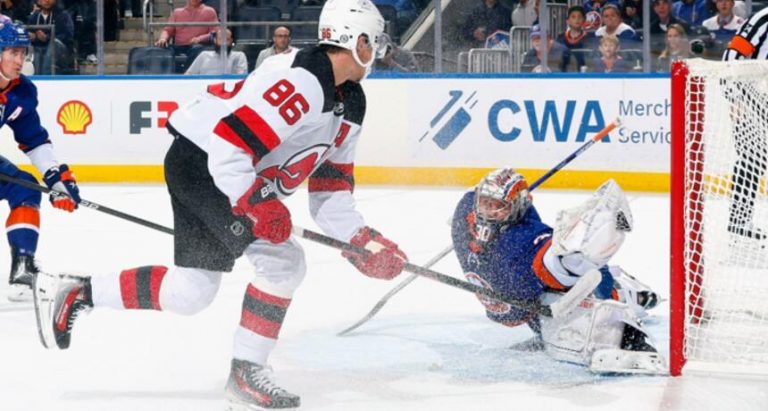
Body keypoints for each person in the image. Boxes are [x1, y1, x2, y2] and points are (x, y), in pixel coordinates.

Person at [33, 0, 407, 409]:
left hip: (210, 168)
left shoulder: (350, 101)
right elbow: (230, 146)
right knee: (283, 263)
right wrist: (258, 203)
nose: (381, 49)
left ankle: (80, 292)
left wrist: (362, 242)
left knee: (191, 292)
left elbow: (330, 192)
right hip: (205, 165)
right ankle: (247, 371)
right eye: (376, 40)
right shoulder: (306, 80)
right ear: (356, 40)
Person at [450, 168, 664, 373]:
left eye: (497, 206)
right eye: (485, 203)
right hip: (531, 308)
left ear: (516, 207)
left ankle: (637, 296)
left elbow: (569, 264)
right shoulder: (466, 211)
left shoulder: (527, 240)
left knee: (591, 281)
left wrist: (597, 236)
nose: (487, 211)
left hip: (566, 296)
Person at [0, 22, 81, 301]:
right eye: (11, 52)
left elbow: (33, 140)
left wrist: (56, 179)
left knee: (25, 189)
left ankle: (23, 270)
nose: (19, 60)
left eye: (22, 53)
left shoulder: (21, 92)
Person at [722, 6, 768, 239]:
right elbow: (730, 57)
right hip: (751, 99)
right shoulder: (763, 19)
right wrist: (735, 100)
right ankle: (739, 222)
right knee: (753, 159)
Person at [154, 0, 218, 73]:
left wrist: (200, 39)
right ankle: (165, 78)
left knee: (196, 49)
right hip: (180, 46)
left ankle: (187, 75)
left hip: (199, 46)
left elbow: (215, 33)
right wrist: (163, 38)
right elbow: (168, 30)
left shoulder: (209, 11)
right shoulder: (177, 12)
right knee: (161, 50)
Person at [27, 0, 76, 74]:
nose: (47, 1)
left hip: (60, 53)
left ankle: (47, 76)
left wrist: (47, 37)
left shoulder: (63, 15)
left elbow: (67, 35)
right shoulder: (34, 16)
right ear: (38, 1)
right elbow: (29, 32)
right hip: (39, 49)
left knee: (54, 44)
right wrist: (32, 37)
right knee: (35, 52)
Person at [555, 6, 597, 72]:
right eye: (573, 17)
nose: (577, 19)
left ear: (584, 20)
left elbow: (593, 61)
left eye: (580, 17)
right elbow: (557, 61)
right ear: (567, 21)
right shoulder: (560, 38)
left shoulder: (590, 38)